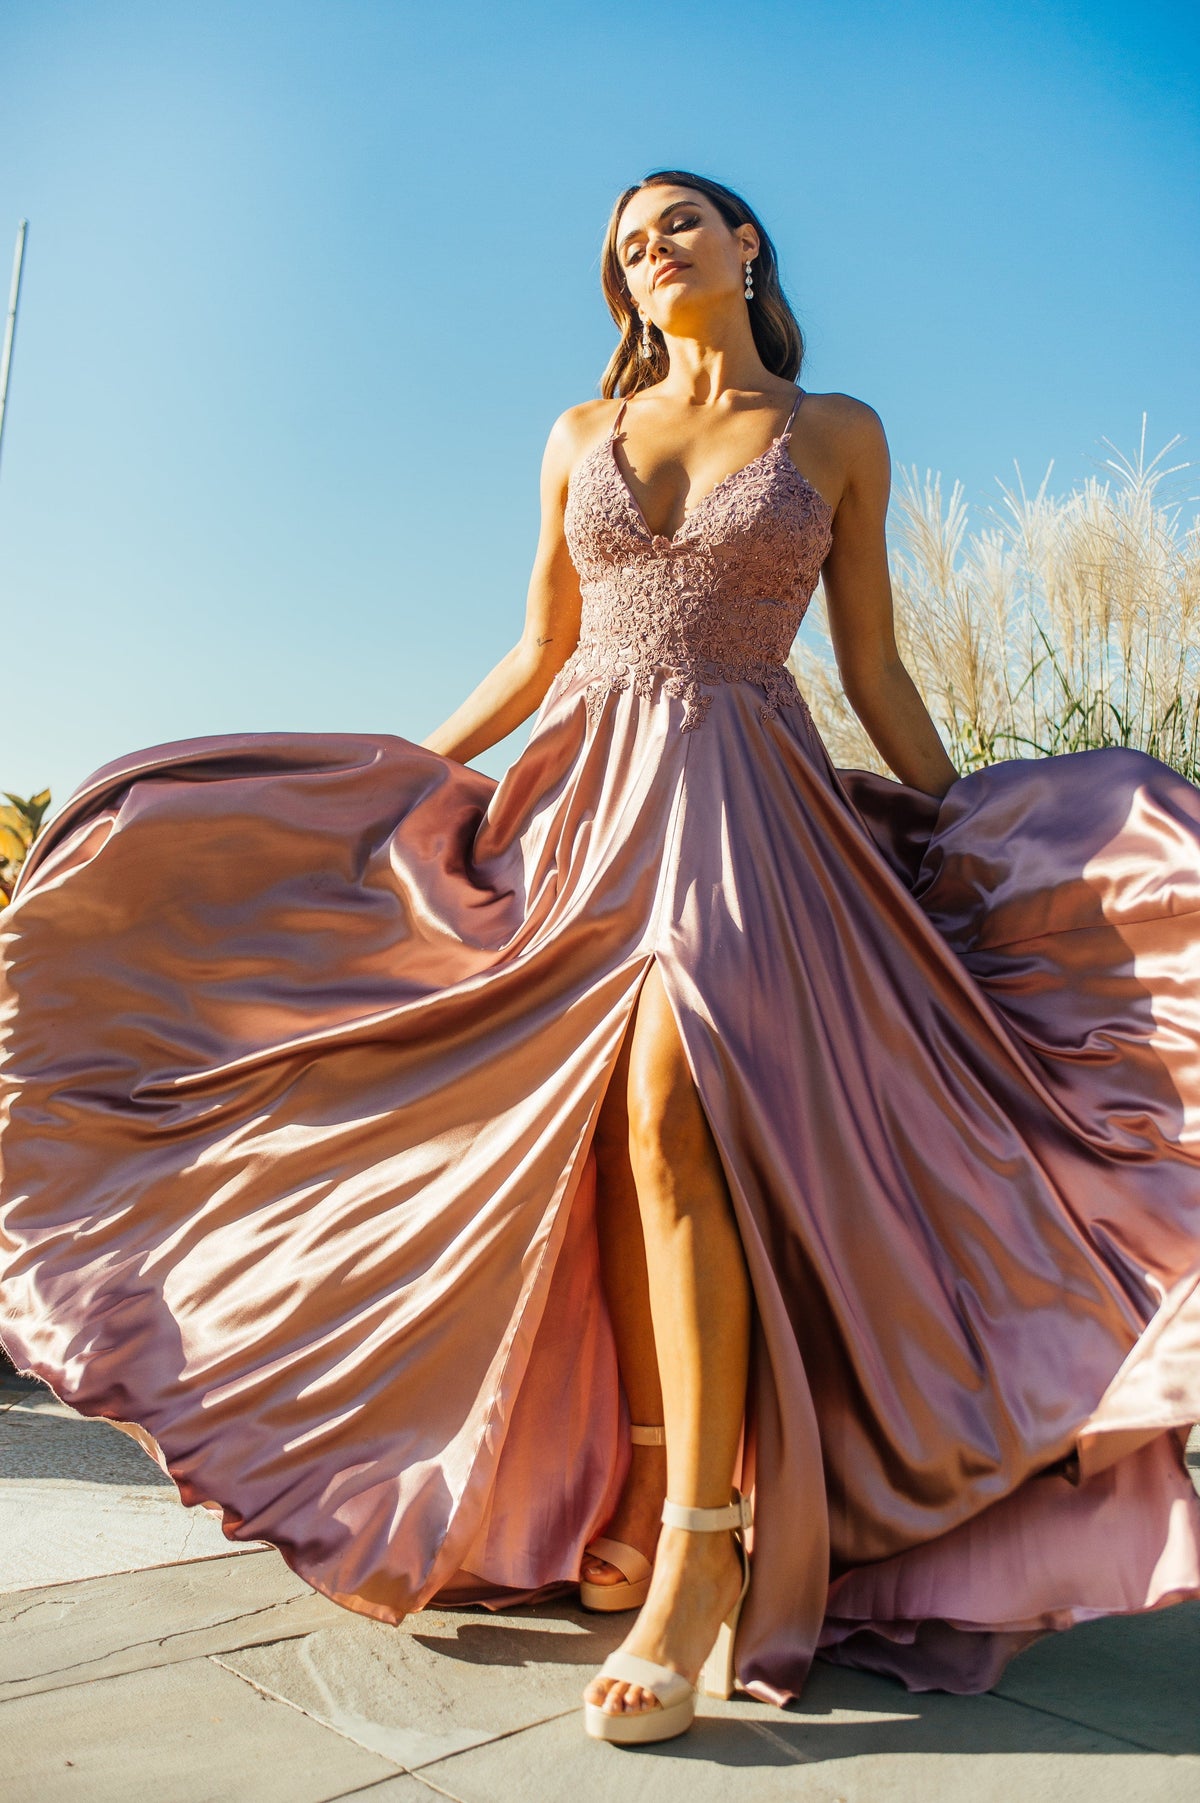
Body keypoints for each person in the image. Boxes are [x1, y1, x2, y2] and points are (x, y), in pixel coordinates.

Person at [1, 170, 1198, 1752]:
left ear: (748, 244)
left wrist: (968, 820)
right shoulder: (580, 435)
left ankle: (699, 1563)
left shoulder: (835, 430)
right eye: (630, 241)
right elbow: (541, 646)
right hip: (583, 807)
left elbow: (872, 664)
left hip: (750, 811)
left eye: (682, 223)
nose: (654, 249)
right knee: (620, 1152)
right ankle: (647, 1506)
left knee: (671, 1103)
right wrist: (398, 792)